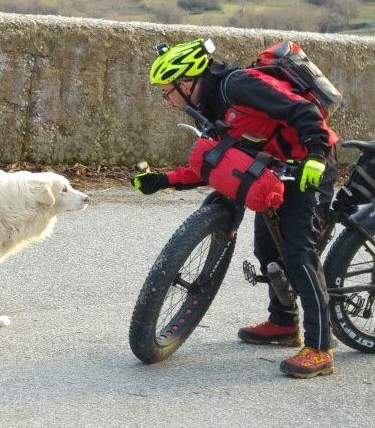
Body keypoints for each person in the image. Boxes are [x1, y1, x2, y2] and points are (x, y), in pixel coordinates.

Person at [132, 38, 339, 378]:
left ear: (186, 83)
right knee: (266, 247)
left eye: (167, 91)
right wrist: (165, 180)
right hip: (272, 168)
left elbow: (304, 112)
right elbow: (223, 161)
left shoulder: (239, 86)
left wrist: (316, 156)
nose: (166, 99)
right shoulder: (210, 105)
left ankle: (320, 349)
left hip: (307, 162)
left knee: (298, 251)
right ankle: (284, 323)